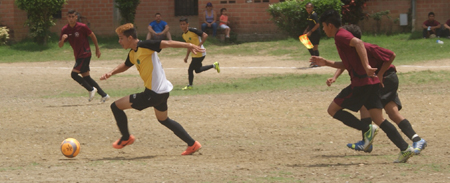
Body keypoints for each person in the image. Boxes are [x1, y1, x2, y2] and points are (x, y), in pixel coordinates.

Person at [310, 9, 414, 163]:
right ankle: (405, 149)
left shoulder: (340, 35)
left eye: (324, 27)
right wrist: (326, 63)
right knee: (380, 119)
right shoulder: (340, 37)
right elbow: (347, 64)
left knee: (332, 110)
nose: (323, 30)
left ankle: (367, 129)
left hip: (361, 83)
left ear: (330, 25)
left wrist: (366, 66)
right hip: (371, 83)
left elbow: (359, 43)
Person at [100, 23, 202, 155]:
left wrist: (189, 45)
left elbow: (167, 43)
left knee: (115, 106)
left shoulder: (145, 45)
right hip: (162, 92)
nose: (119, 41)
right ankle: (192, 144)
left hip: (153, 94)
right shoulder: (133, 53)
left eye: (121, 38)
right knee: (163, 119)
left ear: (130, 38)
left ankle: (126, 138)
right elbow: (126, 65)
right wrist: (111, 73)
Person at [326, 24, 427, 155]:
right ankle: (415, 140)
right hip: (376, 80)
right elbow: (347, 64)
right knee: (391, 112)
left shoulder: (365, 47)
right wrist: (334, 77)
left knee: (368, 109)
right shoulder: (352, 50)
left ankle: (367, 142)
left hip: (386, 78)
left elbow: (391, 56)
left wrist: (380, 75)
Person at [58, 9, 110, 103]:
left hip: (85, 53)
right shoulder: (65, 29)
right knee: (86, 77)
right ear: (67, 18)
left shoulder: (82, 27)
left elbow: (92, 35)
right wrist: (62, 40)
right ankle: (104, 95)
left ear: (76, 17)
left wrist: (97, 49)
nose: (71, 19)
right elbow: (60, 45)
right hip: (78, 55)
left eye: (73, 16)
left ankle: (91, 89)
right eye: (69, 17)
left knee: (74, 74)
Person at [180, 17, 220, 90]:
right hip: (194, 54)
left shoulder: (193, 30)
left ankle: (190, 86)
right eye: (181, 24)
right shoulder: (183, 35)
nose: (182, 26)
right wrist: (186, 57)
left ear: (187, 24)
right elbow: (189, 46)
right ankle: (214, 65)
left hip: (200, 53)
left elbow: (205, 35)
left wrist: (199, 45)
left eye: (184, 24)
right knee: (197, 70)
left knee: (190, 69)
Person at [303, 2, 321, 67]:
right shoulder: (309, 15)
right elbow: (310, 24)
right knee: (309, 46)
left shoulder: (314, 15)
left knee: (315, 47)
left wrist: (310, 31)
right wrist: (306, 30)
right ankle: (314, 61)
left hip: (315, 33)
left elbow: (317, 24)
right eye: (307, 7)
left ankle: (318, 62)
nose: (308, 9)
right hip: (311, 33)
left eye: (309, 7)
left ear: (312, 8)